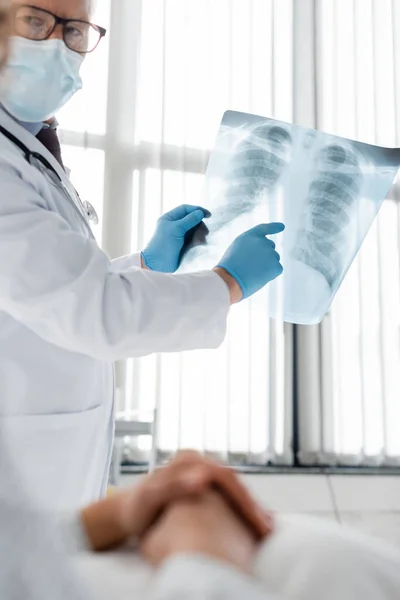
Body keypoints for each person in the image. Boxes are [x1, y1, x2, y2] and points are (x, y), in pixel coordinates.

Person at [0, 0, 285, 511]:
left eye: (77, 31)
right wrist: (226, 283)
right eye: (37, 22)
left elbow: (50, 292)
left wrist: (145, 269)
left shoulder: (22, 147)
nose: (59, 47)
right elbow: (91, 311)